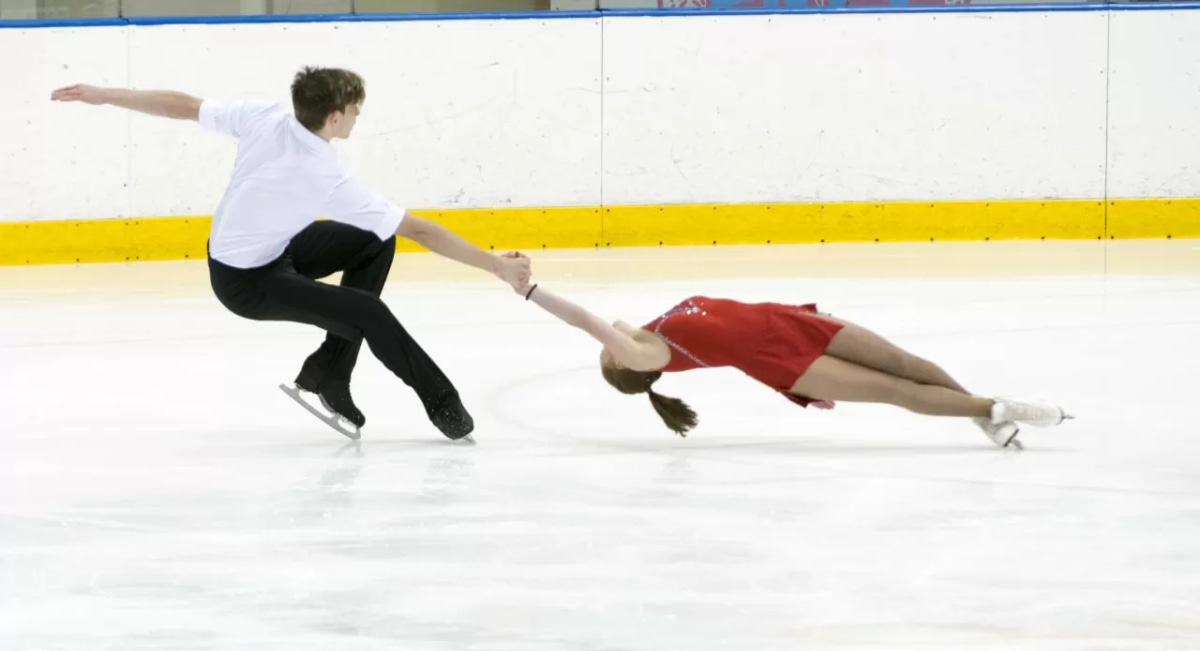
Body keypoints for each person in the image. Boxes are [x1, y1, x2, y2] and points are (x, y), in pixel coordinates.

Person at [50, 67, 531, 442]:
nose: (360, 113)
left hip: (269, 251)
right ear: (335, 117)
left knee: (375, 239)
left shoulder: (266, 116)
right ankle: (443, 404)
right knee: (370, 312)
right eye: (355, 108)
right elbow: (422, 231)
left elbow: (185, 106)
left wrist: (108, 94)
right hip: (246, 284)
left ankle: (330, 371)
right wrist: (497, 265)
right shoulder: (321, 175)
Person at [504, 256, 1070, 448]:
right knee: (900, 393)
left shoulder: (652, 330)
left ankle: (977, 413)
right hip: (783, 358)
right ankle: (1001, 408)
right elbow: (586, 320)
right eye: (607, 350)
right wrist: (528, 290)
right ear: (621, 360)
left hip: (785, 320)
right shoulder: (651, 358)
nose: (608, 339)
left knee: (908, 365)